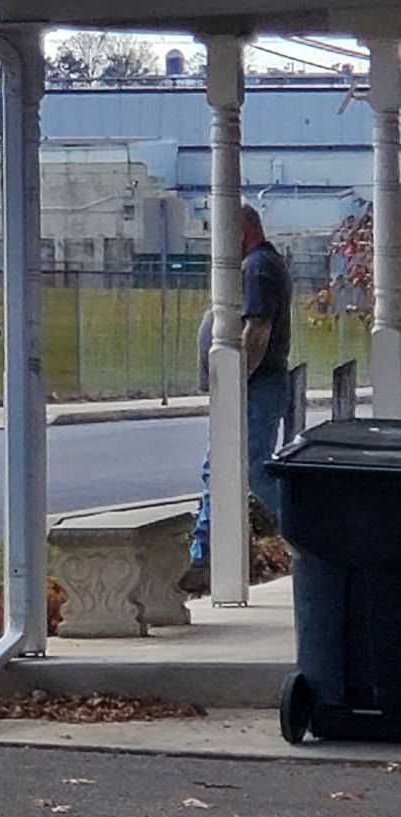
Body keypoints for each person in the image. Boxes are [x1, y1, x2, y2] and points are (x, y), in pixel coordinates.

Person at [187, 204, 292, 583]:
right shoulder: (254, 266)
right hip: (251, 386)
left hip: (254, 386)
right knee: (219, 466)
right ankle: (203, 553)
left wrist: (235, 380)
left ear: (242, 231)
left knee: (249, 466)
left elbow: (258, 330)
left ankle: (308, 527)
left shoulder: (257, 268)